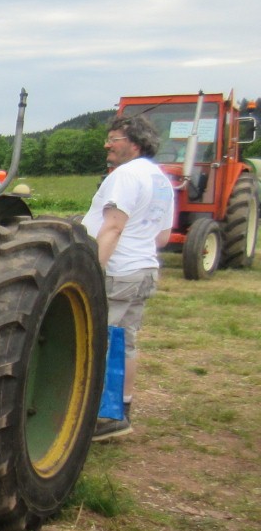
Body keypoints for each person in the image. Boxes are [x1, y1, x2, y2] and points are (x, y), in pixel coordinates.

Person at [81, 115, 175, 441]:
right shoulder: (161, 180)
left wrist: (93, 272)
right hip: (145, 269)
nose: (107, 144)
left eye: (114, 139)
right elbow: (162, 236)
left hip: (119, 271)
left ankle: (91, 415)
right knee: (126, 340)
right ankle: (119, 412)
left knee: (92, 341)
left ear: (134, 143)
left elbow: (113, 227)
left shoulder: (126, 175)